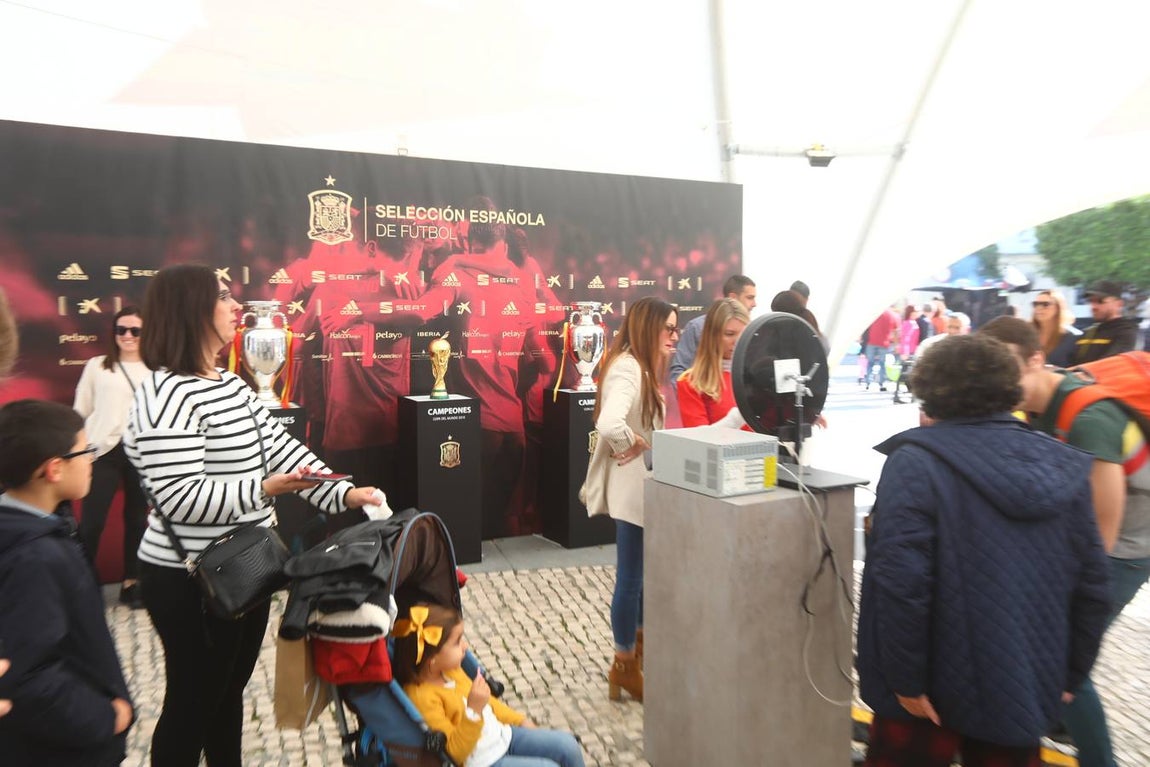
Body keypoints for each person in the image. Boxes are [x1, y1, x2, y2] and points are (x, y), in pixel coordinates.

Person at [123, 264, 382, 767]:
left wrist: (345, 494)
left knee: (226, 696)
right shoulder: (164, 396)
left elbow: (282, 451)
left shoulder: (230, 385)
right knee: (192, 703)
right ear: (191, 309)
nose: (236, 306)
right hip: (188, 579)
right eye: (223, 297)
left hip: (246, 566)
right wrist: (261, 490)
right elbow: (177, 496)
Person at [857, 335, 1111, 767]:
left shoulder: (915, 462)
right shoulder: (1062, 464)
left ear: (930, 390)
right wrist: (1070, 672)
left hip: (927, 685)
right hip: (1020, 680)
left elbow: (901, 584)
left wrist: (903, 679)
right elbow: (1092, 584)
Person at [978, 316, 1149, 767]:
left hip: (1130, 547)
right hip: (1108, 538)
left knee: (1064, 659)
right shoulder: (1038, 405)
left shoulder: (1088, 416)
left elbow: (1103, 530)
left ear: (1037, 359)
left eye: (1006, 367)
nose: (997, 381)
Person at [0, 399, 135, 766]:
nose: (91, 459)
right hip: (59, 750)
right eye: (85, 451)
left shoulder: (43, 528)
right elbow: (27, 672)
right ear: (55, 469)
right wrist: (101, 717)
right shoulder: (34, 557)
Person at [580, 297, 678, 703]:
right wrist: (631, 442)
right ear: (648, 328)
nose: (675, 335)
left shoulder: (635, 366)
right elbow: (607, 422)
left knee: (638, 578)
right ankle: (624, 663)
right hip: (632, 488)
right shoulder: (627, 368)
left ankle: (633, 658)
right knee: (631, 579)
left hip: (641, 487)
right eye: (668, 328)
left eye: (676, 328)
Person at [393, 603, 586, 767]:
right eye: (457, 642)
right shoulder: (423, 696)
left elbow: (490, 704)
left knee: (568, 746)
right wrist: (473, 711)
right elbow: (454, 753)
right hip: (482, 760)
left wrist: (519, 720)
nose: (465, 647)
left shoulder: (451, 671)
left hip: (502, 736)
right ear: (432, 659)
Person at [72, 306, 148, 608]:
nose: (127, 336)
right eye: (121, 330)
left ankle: (133, 582)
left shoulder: (157, 369)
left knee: (136, 519)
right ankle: (81, 585)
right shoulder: (97, 366)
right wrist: (80, 450)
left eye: (135, 331)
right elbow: (81, 409)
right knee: (91, 521)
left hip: (141, 451)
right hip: (101, 450)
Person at [676, 298, 749, 426]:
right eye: (729, 334)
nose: (737, 341)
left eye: (743, 333)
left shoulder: (758, 378)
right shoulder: (691, 382)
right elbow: (698, 441)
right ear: (712, 336)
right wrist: (737, 418)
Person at [669, 275, 755, 382]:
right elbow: (679, 371)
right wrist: (692, 393)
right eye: (749, 298)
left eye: (742, 334)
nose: (754, 304)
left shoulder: (753, 329)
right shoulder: (696, 327)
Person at [1072, 280, 1139, 364]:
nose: (1093, 306)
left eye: (1100, 301)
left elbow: (1111, 364)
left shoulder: (1127, 331)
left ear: (1119, 304)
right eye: (1091, 301)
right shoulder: (1088, 333)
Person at [1030, 289, 1080, 368]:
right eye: (1035, 304)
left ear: (1058, 308)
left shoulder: (1072, 337)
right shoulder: (1027, 335)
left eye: (1045, 304)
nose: (1039, 308)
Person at [862, 306, 899, 391]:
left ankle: (868, 382)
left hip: (871, 342)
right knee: (882, 364)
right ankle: (882, 384)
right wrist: (896, 344)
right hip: (884, 343)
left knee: (870, 363)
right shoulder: (891, 314)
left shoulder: (874, 311)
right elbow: (895, 330)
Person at [891, 305, 921, 404]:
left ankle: (900, 394)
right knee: (906, 374)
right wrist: (906, 353)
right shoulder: (911, 323)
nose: (917, 313)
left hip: (909, 351)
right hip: (909, 351)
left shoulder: (908, 323)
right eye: (916, 311)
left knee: (905, 374)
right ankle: (900, 394)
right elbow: (906, 339)